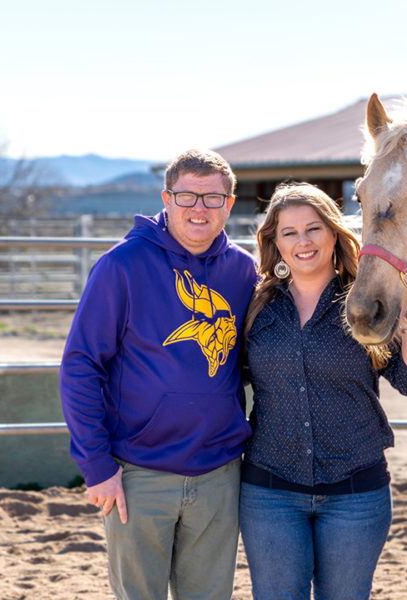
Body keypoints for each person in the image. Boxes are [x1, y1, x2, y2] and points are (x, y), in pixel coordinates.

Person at [59, 149, 257, 600]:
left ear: (230, 204)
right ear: (166, 199)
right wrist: (97, 466)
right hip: (137, 473)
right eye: (187, 196)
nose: (199, 209)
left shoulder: (245, 273)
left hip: (218, 473)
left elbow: (251, 361)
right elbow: (80, 366)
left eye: (212, 199)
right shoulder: (122, 267)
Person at [239, 182, 407, 600]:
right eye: (289, 232)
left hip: (355, 494)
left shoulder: (365, 303)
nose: (303, 241)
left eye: (313, 229)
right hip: (270, 491)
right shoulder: (256, 305)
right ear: (275, 242)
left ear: (333, 233)